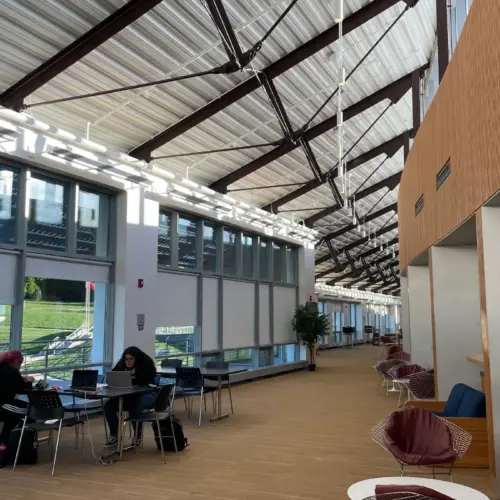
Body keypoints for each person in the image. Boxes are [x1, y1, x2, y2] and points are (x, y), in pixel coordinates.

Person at [103, 346, 157, 447]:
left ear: (136, 359)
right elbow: (112, 377)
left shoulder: (145, 363)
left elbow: (145, 381)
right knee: (108, 406)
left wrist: (131, 381)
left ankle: (137, 435)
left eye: (131, 359)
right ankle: (114, 434)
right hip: (128, 396)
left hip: (148, 394)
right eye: (126, 359)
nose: (128, 362)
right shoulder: (121, 365)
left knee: (135, 404)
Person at [0, 351, 33, 449]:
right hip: (3, 404)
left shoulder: (3, 368)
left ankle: (5, 441)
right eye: (20, 363)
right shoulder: (12, 372)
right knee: (31, 411)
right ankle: (12, 441)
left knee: (11, 417)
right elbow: (23, 390)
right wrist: (29, 382)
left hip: (4, 403)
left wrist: (21, 378)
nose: (20, 366)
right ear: (15, 361)